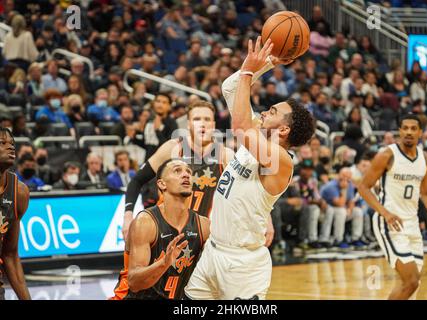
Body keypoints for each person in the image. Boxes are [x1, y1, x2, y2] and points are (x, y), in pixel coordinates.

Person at [184, 37, 315, 300]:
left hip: (243, 266)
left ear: (284, 129)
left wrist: (248, 71)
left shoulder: (281, 160)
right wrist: (267, 63)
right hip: (213, 252)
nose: (265, 111)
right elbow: (230, 87)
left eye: (273, 111)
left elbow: (240, 126)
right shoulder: (257, 138)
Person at [110, 100, 234, 300]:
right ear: (188, 124)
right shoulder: (173, 148)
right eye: (197, 119)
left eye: (207, 119)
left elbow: (243, 194)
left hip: (196, 233)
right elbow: (137, 181)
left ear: (214, 125)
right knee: (135, 285)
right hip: (162, 227)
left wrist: (266, 222)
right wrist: (127, 215)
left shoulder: (226, 156)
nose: (202, 124)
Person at [358, 114, 427, 300]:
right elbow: (363, 187)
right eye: (405, 128)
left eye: (413, 129)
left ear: (420, 133)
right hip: (390, 223)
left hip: (412, 225)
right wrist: (385, 213)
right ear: (399, 131)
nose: (408, 132)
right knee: (411, 281)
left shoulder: (424, 158)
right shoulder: (387, 155)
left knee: (413, 284)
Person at [125, 159, 210, 299]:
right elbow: (134, 282)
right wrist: (164, 263)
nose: (186, 175)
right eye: (177, 171)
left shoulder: (204, 226)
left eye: (188, 171)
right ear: (162, 184)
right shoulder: (145, 223)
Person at [0, 128, 31, 300]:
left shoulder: (19, 192)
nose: (10, 147)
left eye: (12, 144)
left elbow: (10, 254)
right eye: (2, 143)